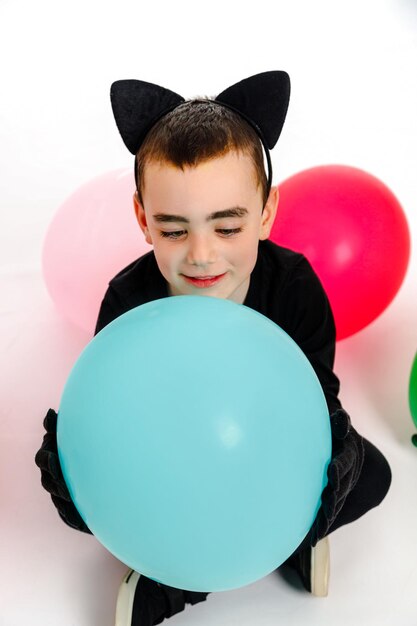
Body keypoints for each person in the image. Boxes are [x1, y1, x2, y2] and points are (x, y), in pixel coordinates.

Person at [35, 72, 392, 626]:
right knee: (86, 492)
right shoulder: (129, 299)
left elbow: (317, 401)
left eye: (228, 228)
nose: (202, 256)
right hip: (166, 457)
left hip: (268, 449)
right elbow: (111, 414)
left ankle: (288, 541)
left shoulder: (294, 286)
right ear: (143, 220)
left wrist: (292, 480)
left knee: (370, 475)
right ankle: (170, 578)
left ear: (267, 213)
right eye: (174, 231)